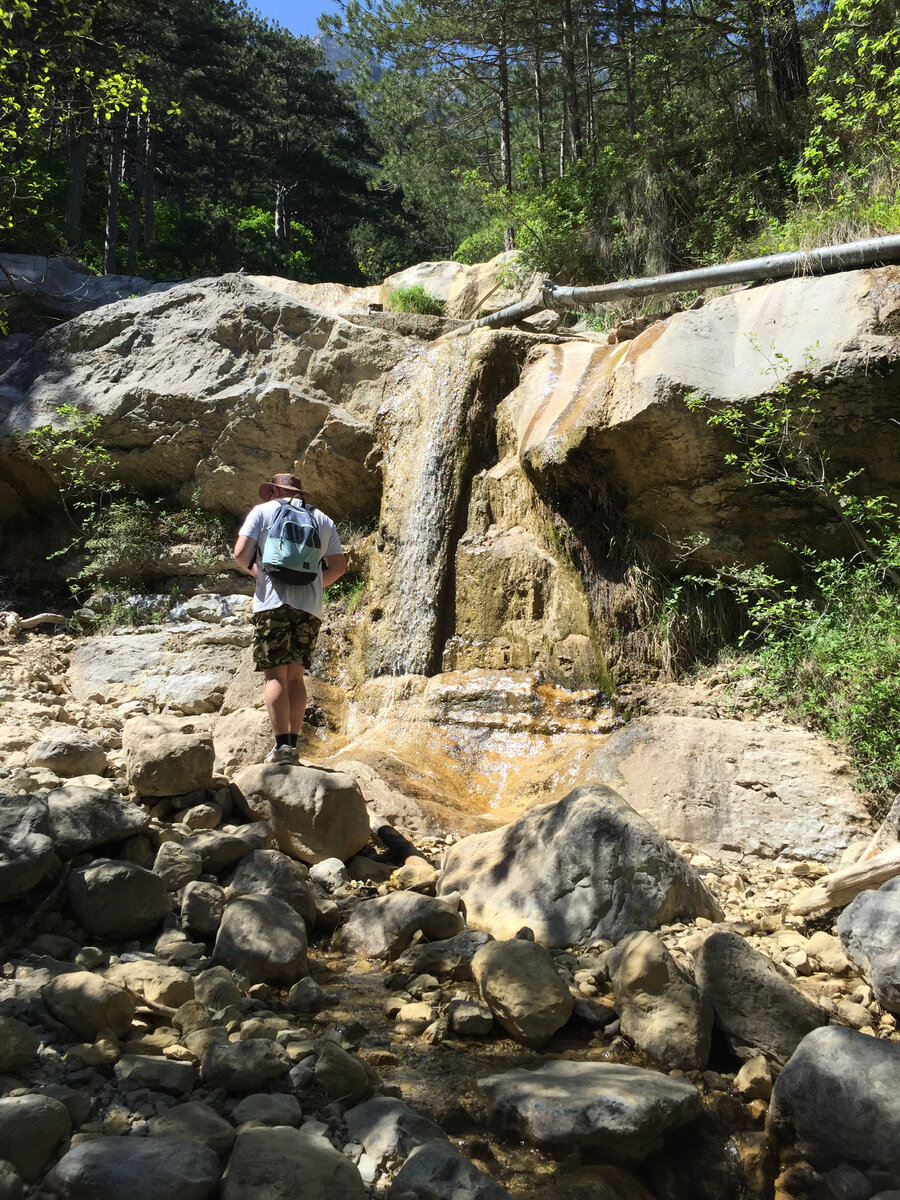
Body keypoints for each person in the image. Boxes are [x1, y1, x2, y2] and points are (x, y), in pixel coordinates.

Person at [233, 472, 346, 764]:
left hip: (272, 603)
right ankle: (293, 746)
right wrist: (313, 588)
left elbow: (241, 554)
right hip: (309, 608)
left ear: (273, 491)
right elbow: (339, 567)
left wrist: (261, 576)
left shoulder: (262, 511)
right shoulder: (323, 519)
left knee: (274, 675)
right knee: (296, 676)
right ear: (299, 493)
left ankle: (281, 747)